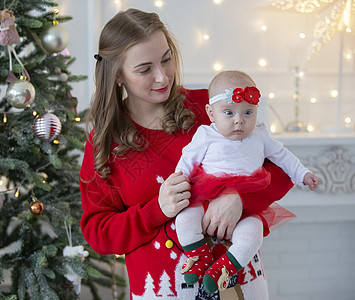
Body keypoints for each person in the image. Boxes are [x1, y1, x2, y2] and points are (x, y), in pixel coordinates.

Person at [79, 8, 294, 299]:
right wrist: (157, 210)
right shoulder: (105, 141)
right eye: (145, 69)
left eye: (166, 59)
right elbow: (99, 232)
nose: (162, 76)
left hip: (236, 284)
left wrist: (239, 198)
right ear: (117, 75)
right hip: (159, 289)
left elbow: (281, 170)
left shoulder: (210, 107)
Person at [175, 70, 320, 294]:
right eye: (229, 112)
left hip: (247, 204)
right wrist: (178, 181)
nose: (239, 120)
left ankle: (223, 268)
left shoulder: (260, 135)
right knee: (184, 220)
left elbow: (283, 156)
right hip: (206, 197)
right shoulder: (206, 134)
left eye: (248, 112)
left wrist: (303, 173)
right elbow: (187, 160)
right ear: (211, 113)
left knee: (253, 235)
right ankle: (199, 255)